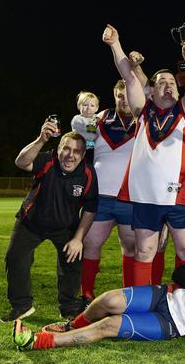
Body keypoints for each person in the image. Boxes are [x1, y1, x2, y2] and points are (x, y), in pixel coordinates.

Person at [12, 227, 185, 351]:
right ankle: (74, 325)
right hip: (166, 296)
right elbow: (180, 273)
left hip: (174, 324)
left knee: (109, 325)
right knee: (108, 299)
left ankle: (38, 341)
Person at [102, 24, 185, 285]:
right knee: (145, 250)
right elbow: (128, 77)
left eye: (172, 82)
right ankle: (139, 308)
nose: (168, 86)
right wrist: (115, 44)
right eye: (162, 82)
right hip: (146, 196)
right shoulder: (142, 111)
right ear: (152, 90)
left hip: (181, 195)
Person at [2, 127, 98, 322]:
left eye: (77, 151)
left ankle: (69, 308)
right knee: (15, 258)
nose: (70, 155)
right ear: (58, 149)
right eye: (66, 149)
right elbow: (21, 162)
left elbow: (90, 208)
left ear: (83, 154)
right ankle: (21, 306)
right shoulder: (46, 160)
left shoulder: (87, 173)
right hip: (31, 222)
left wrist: (78, 239)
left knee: (72, 261)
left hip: (65, 227)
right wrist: (40, 140)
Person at [81, 80, 137, 302]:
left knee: (131, 246)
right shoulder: (101, 117)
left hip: (130, 196)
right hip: (100, 195)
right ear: (114, 96)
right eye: (119, 95)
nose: (124, 100)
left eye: (127, 95)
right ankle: (85, 293)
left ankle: (130, 296)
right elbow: (85, 143)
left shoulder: (144, 120)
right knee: (90, 244)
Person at [70, 91, 100, 163]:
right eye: (85, 105)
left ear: (96, 108)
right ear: (78, 106)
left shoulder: (96, 118)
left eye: (92, 105)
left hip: (93, 149)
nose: (88, 108)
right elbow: (84, 133)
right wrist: (96, 136)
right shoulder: (78, 119)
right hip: (81, 149)